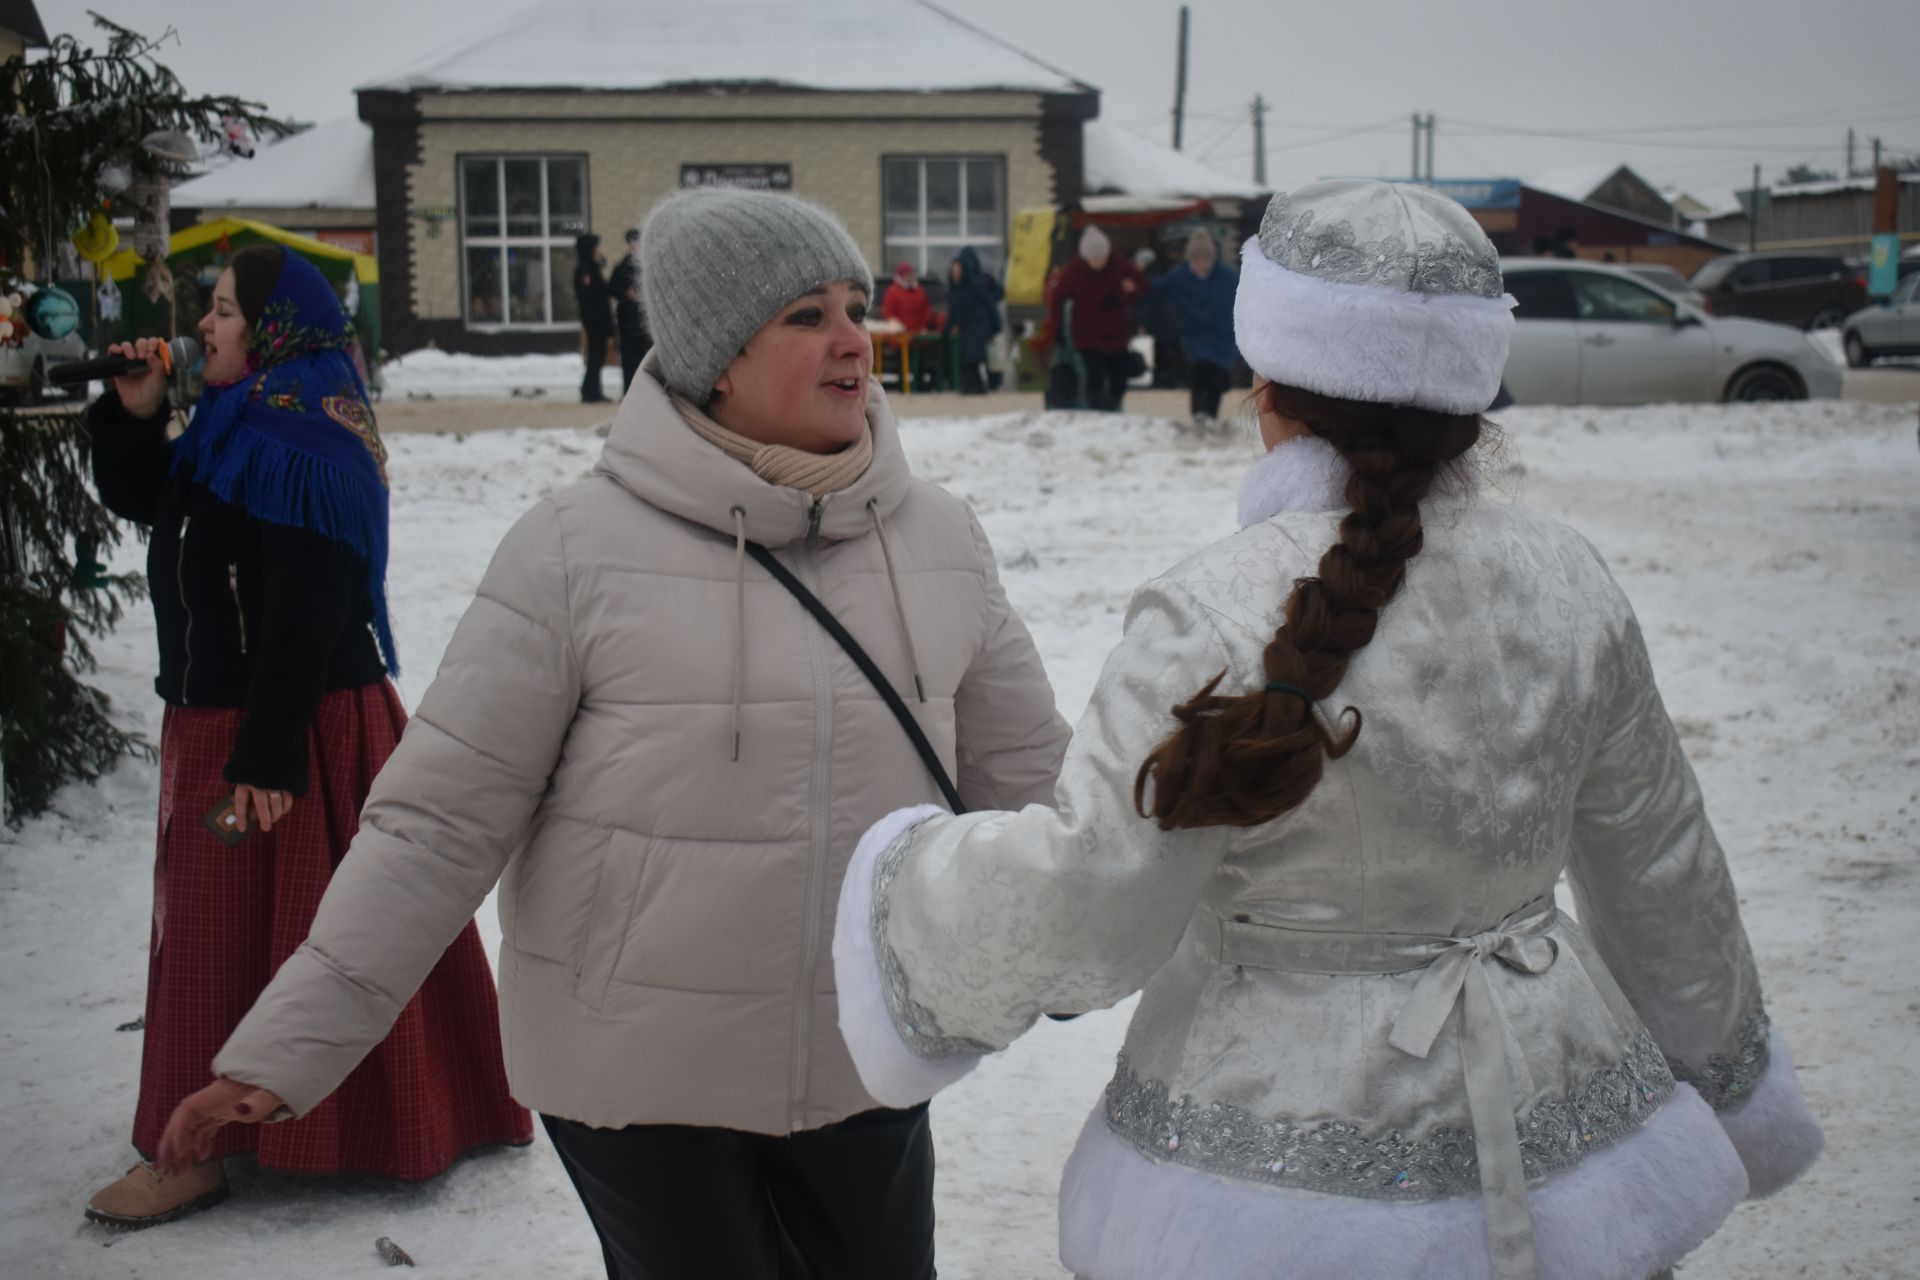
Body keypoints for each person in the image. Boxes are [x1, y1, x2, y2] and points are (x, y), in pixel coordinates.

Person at [832, 180, 1823, 1280]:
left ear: (1270, 386)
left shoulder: (1211, 607)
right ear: (1470, 394)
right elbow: (1663, 868)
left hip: (1276, 1178)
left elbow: (1094, 900)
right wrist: (1729, 1075)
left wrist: (911, 879)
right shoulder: (1566, 578)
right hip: (1563, 1145)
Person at [156, 189, 1070, 1279]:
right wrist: (294, 1040)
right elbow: (436, 824)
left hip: (862, 1054)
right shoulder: (572, 550)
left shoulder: (941, 538)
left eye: (855, 306)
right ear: (714, 356)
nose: (852, 341)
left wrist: (1095, 931)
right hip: (641, 1078)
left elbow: (1034, 792)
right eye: (805, 315)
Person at [83, 245, 530, 1229]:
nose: (206, 324)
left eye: (226, 311)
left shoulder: (306, 432)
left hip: (299, 730)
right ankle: (258, 1124)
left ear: (278, 328)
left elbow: (308, 603)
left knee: (324, 929)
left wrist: (270, 751)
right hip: (239, 717)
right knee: (245, 930)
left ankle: (214, 1147)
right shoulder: (236, 421)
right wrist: (132, 410)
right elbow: (152, 500)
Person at [1045, 225, 1148, 412]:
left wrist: (1122, 296)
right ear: (1085, 257)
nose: (1099, 262)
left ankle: (1113, 404)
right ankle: (1096, 410)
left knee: (1119, 375)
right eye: (1094, 259)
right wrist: (1057, 326)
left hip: (1116, 331)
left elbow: (1141, 284)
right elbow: (1057, 298)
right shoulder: (1074, 271)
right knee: (1095, 373)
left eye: (1102, 258)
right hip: (1087, 333)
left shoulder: (1118, 263)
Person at [1148, 228, 1239, 429]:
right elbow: (1156, 291)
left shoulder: (1228, 277)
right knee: (1201, 370)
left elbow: (1246, 297)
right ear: (1189, 260)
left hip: (1223, 337)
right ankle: (1199, 417)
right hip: (1195, 335)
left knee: (1218, 379)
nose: (1201, 265)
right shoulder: (1179, 277)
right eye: (1196, 260)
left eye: (1206, 260)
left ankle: (1211, 416)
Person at [943, 246, 1003, 395]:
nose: (955, 272)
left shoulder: (977, 284)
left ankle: (981, 385)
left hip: (979, 326)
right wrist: (949, 327)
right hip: (966, 328)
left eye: (958, 268)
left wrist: (996, 324)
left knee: (976, 356)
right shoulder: (954, 289)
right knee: (968, 357)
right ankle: (971, 385)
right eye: (954, 269)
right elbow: (954, 312)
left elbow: (990, 305)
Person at [606, 227, 651, 396]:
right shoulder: (622, 267)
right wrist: (627, 293)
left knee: (644, 359)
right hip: (627, 319)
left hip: (644, 321)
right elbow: (612, 288)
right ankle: (629, 392)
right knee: (629, 359)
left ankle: (644, 392)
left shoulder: (645, 265)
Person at [573, 232, 613, 403]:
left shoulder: (591, 267)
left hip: (597, 319)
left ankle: (591, 389)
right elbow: (590, 293)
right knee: (595, 355)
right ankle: (591, 392)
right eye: (596, 246)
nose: (598, 249)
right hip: (594, 320)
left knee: (598, 355)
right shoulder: (585, 269)